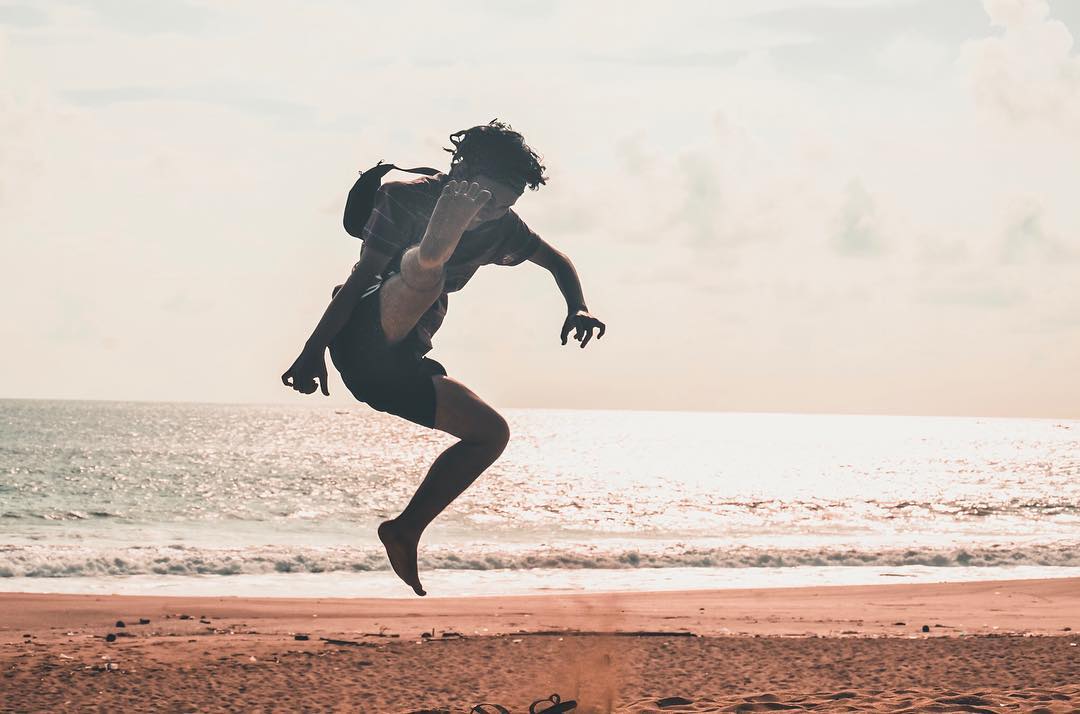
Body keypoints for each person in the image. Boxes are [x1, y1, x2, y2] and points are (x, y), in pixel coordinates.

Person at [281, 120, 605, 596]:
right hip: (363, 330)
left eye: (504, 206)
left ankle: (404, 529)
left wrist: (577, 304)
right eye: (486, 199)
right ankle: (434, 246)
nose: (493, 213)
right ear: (462, 170)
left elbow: (555, 259)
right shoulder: (405, 196)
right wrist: (311, 352)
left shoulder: (502, 228)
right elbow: (358, 278)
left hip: (395, 367)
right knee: (425, 273)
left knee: (491, 433)